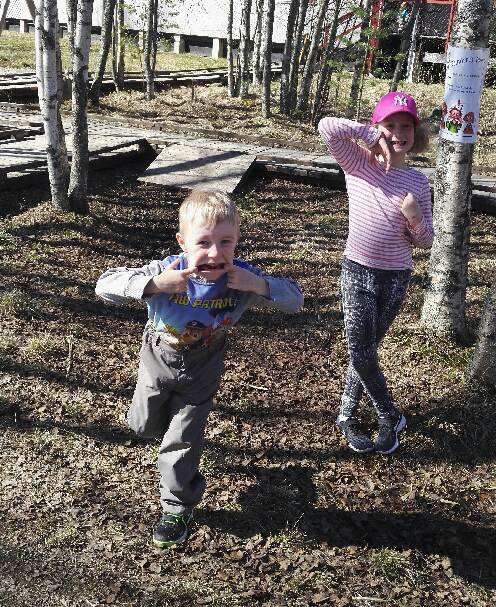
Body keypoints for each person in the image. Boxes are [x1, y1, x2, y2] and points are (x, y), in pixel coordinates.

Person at [95, 189, 303, 547]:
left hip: (203, 366)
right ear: (183, 242)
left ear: (237, 241)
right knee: (143, 425)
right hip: (157, 359)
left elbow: (295, 299)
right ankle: (166, 434)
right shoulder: (167, 270)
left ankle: (177, 508)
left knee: (182, 440)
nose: (214, 253)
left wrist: (260, 285)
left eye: (225, 242)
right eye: (203, 242)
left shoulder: (241, 278)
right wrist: (153, 285)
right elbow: (104, 285)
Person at [318, 91, 434, 455]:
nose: (398, 133)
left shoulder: (419, 182)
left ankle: (346, 413)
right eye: (390, 125)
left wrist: (415, 218)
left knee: (366, 350)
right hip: (356, 270)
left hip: (395, 277)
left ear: (416, 133)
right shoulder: (358, 162)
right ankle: (389, 414)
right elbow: (327, 127)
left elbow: (426, 241)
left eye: (406, 126)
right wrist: (370, 137)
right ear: (377, 126)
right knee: (360, 349)